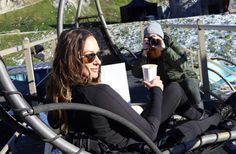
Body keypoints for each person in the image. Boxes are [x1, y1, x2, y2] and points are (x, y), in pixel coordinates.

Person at [46, 28, 235, 153]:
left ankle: (201, 114)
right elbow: (150, 133)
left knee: (175, 89)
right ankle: (220, 114)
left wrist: (164, 49)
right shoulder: (97, 92)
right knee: (187, 129)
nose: (97, 60)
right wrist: (155, 91)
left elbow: (184, 67)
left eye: (98, 54)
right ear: (71, 59)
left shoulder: (65, 92)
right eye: (89, 56)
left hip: (126, 133)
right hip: (141, 145)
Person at [132, 22, 204, 109]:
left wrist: (165, 50)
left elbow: (183, 67)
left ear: (161, 36)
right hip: (166, 83)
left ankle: (199, 109)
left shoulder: (172, 45)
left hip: (181, 78)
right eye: (148, 38)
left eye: (154, 37)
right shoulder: (147, 51)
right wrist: (144, 54)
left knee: (190, 84)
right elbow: (136, 73)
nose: (152, 41)